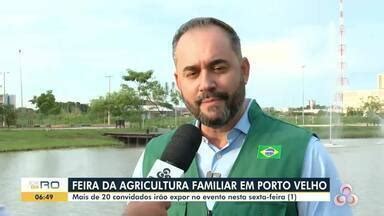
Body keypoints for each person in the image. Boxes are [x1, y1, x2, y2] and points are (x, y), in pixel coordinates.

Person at [125, 17, 352, 216]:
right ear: (178, 83)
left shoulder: (302, 152)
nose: (206, 84)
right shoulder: (153, 156)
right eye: (192, 73)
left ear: (244, 70)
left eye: (219, 67)